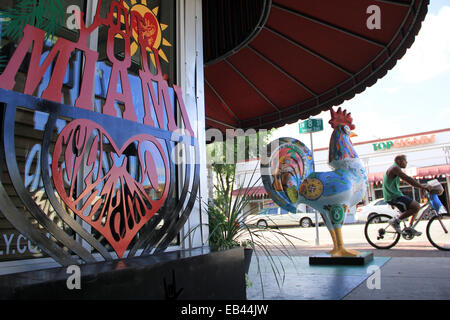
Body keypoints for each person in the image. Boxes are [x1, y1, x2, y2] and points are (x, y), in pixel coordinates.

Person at [382, 155, 432, 236]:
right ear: (399, 161)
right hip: (393, 196)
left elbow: (408, 179)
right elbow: (407, 179)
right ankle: (395, 221)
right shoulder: (395, 168)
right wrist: (422, 186)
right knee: (416, 207)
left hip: (395, 195)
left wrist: (420, 186)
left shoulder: (395, 168)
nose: (407, 162)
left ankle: (410, 228)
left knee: (416, 206)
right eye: (405, 160)